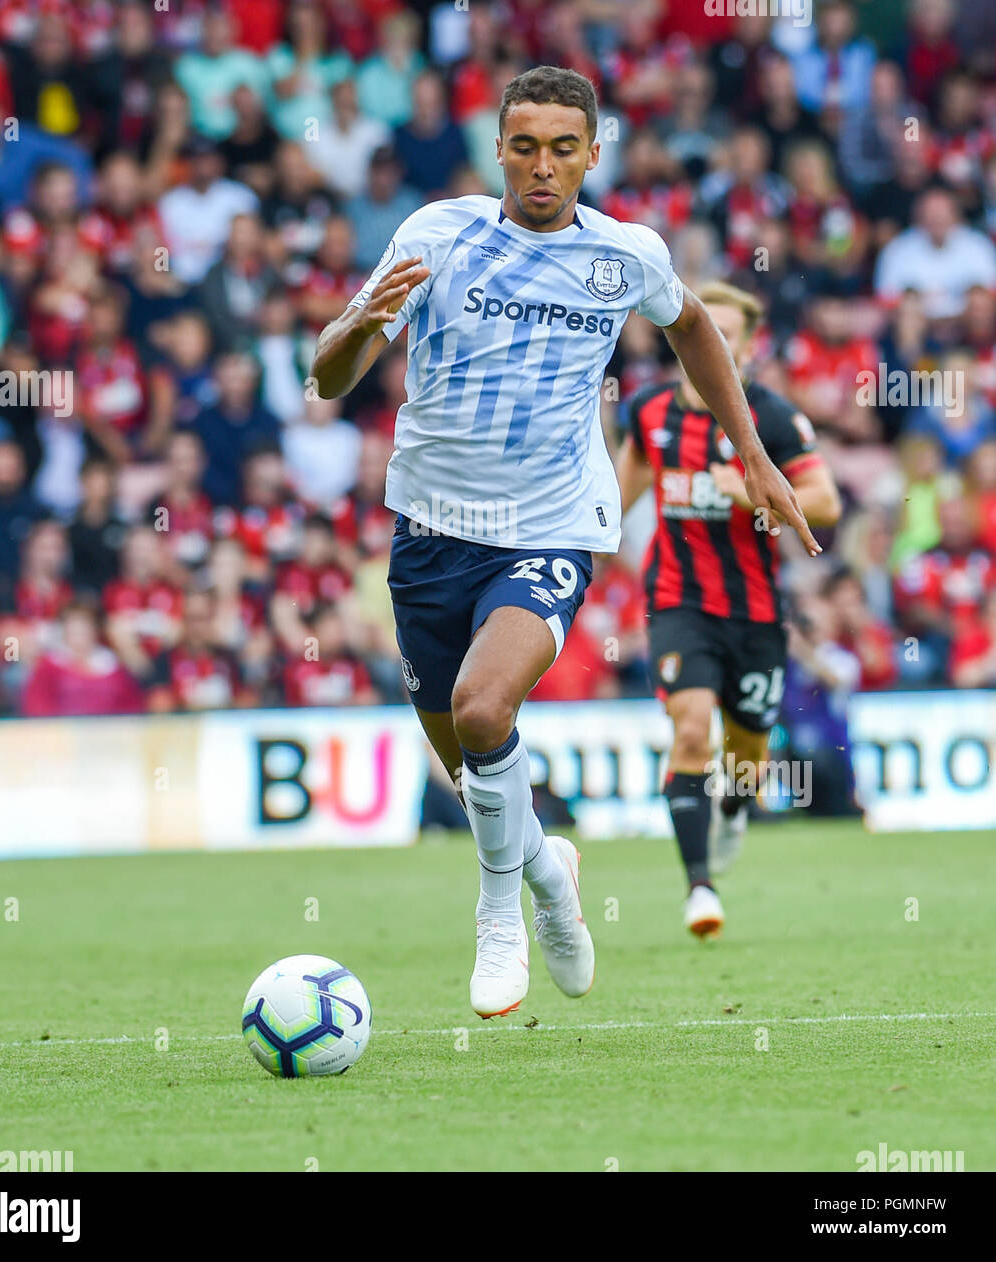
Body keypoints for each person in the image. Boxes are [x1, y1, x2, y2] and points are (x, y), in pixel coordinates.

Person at [311, 65, 820, 1019]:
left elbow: (697, 327)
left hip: (548, 525)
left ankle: (500, 912)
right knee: (471, 773)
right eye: (523, 146)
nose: (541, 166)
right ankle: (550, 870)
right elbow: (330, 376)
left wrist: (751, 453)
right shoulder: (435, 235)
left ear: (592, 152)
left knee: (478, 707)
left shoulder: (622, 254)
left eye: (562, 147)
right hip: (429, 528)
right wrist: (355, 325)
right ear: (497, 149)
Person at [617, 281, 841, 938]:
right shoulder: (650, 412)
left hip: (753, 611)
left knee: (745, 752)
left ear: (744, 344)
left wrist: (748, 495)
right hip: (675, 601)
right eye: (699, 331)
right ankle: (698, 889)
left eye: (725, 333)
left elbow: (823, 503)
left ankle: (735, 808)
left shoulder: (767, 417)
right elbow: (614, 497)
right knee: (690, 731)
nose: (709, 343)